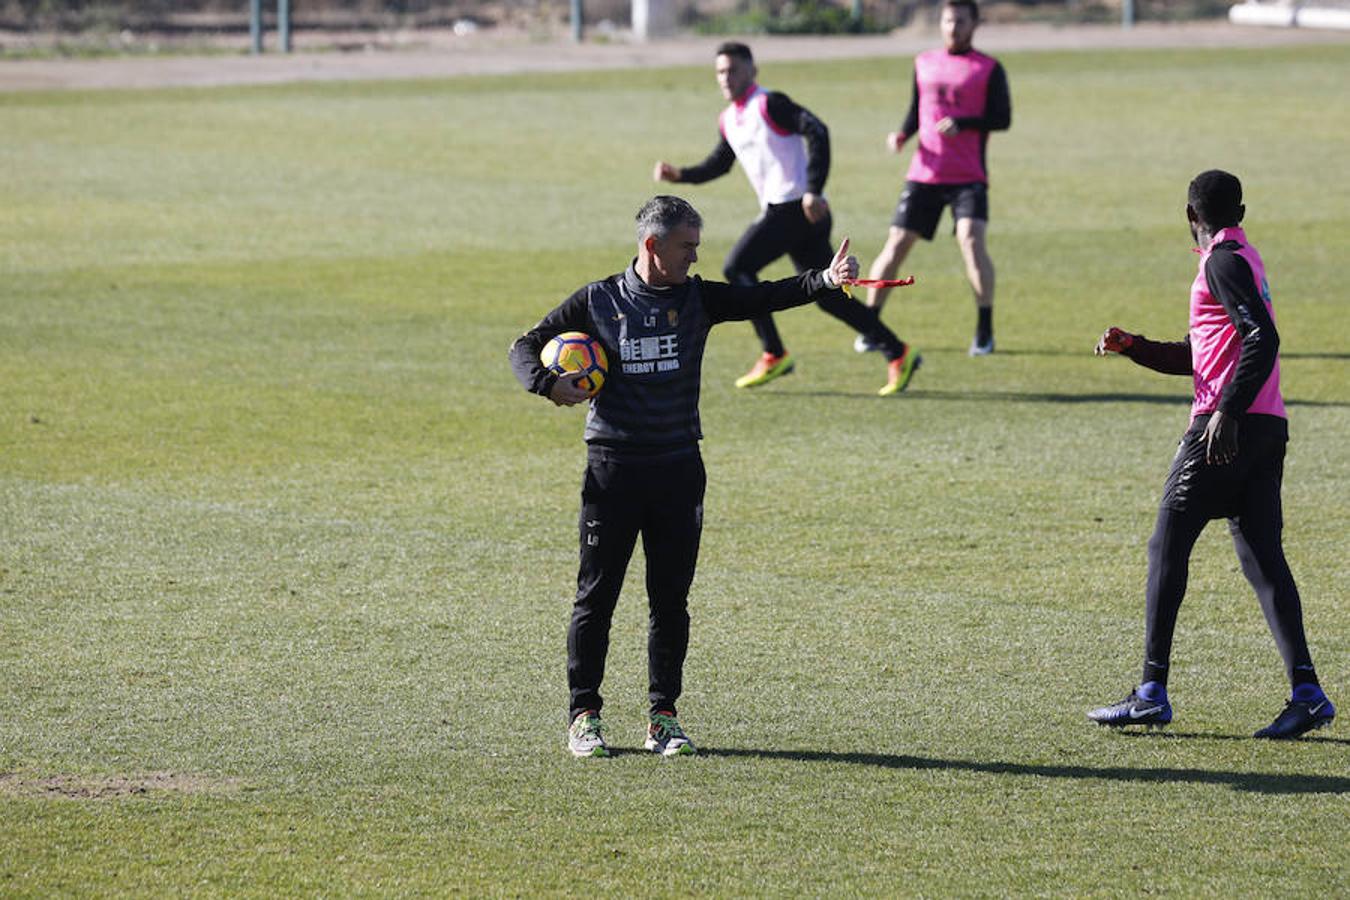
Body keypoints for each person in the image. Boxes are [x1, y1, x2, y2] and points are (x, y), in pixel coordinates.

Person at [508, 196, 860, 758]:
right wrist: (548, 385)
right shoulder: (598, 300)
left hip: (678, 469)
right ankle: (584, 716)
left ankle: (663, 719)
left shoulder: (696, 298)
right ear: (653, 246)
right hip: (613, 469)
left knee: (670, 601)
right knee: (596, 597)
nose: (696, 258)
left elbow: (761, 296)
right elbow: (523, 345)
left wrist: (823, 279)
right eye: (687, 248)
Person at [1087, 170, 1334, 740]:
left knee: (1166, 544)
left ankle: (1151, 692)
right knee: (1262, 559)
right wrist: (1136, 348)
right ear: (1240, 211)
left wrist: (1224, 411)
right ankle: (1308, 692)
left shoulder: (1221, 263)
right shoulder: (1243, 258)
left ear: (1189, 216)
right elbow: (1203, 352)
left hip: (1224, 429)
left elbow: (1262, 338)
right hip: (1267, 426)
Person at [654, 41, 921, 396]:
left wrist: (813, 189)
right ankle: (898, 351)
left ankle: (774, 352)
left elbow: (818, 130)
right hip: (784, 212)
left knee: (738, 267)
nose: (726, 77)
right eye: (720, 71)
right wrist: (681, 175)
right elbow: (719, 163)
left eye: (734, 70)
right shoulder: (729, 119)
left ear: (753, 70)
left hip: (797, 208)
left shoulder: (770, 104)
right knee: (827, 294)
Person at [859, 0, 1010, 357]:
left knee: (972, 242)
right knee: (895, 245)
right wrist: (902, 134)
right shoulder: (923, 62)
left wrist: (965, 124)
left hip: (968, 175)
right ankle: (868, 326)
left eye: (960, 21)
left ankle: (984, 330)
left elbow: (1002, 118)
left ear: (974, 24)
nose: (953, 27)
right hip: (924, 174)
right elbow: (918, 109)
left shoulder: (988, 68)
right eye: (947, 20)